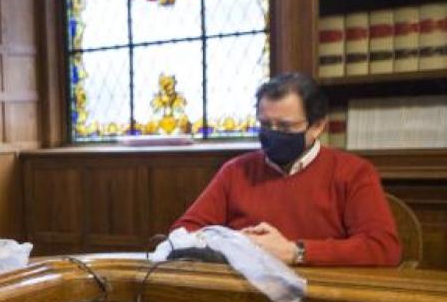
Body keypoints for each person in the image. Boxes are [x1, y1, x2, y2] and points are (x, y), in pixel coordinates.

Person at [172, 73, 401, 266]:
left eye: (285, 126)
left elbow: (383, 247)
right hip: (243, 297)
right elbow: (182, 232)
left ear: (317, 126)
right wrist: (229, 242)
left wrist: (296, 252)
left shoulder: (353, 172)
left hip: (323, 298)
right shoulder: (236, 171)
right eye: (265, 124)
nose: (273, 133)